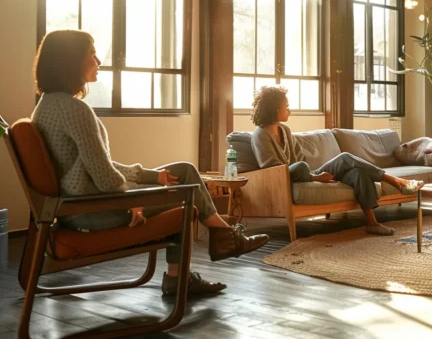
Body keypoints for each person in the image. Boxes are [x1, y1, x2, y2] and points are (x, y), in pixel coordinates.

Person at [30, 30, 270, 297]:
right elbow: (104, 176)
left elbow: (97, 165)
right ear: (70, 61)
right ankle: (200, 261)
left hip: (81, 205)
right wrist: (130, 200)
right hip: (94, 210)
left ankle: (222, 237)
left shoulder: (46, 106)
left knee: (184, 171)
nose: (98, 60)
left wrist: (148, 176)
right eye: (91, 54)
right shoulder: (75, 110)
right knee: (185, 198)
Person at [250, 86, 423, 236]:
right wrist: (316, 179)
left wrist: (312, 175)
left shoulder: (285, 130)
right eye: (286, 107)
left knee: (358, 172)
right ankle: (396, 182)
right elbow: (272, 169)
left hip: (306, 173)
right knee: (340, 159)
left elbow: (298, 160)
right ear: (274, 109)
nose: (290, 111)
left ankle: (372, 223)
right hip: (292, 177)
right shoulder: (260, 135)